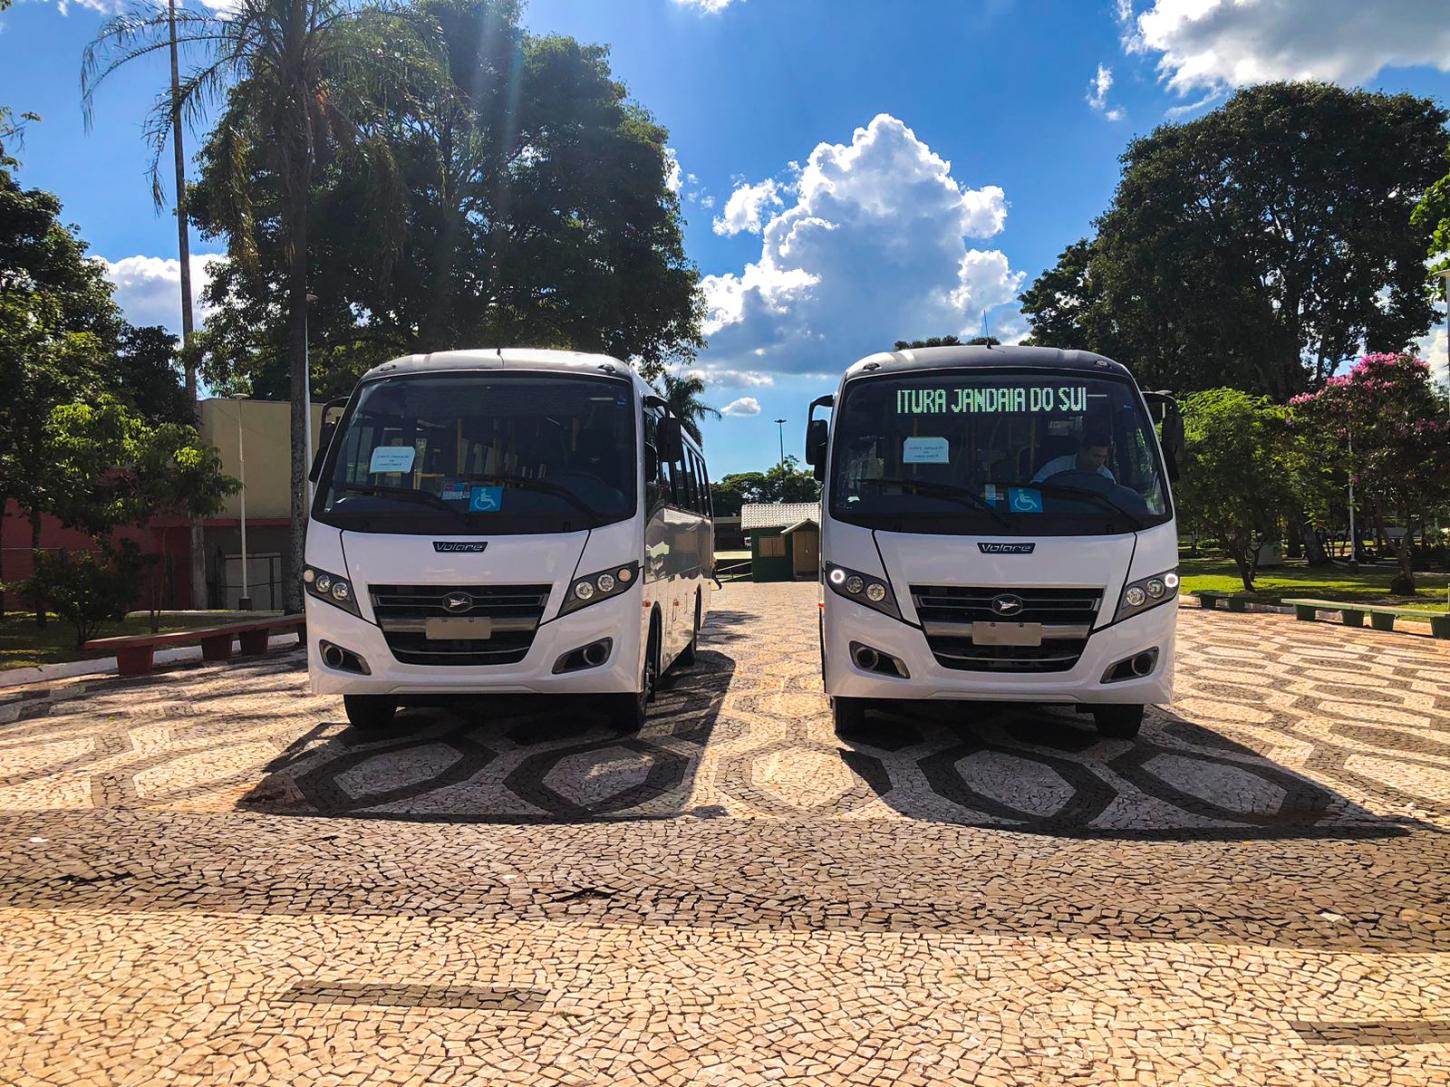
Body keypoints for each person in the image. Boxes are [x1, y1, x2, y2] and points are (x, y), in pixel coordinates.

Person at [1031, 430, 1115, 484]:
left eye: (1104, 457)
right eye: (1096, 456)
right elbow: (1034, 486)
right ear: (1082, 452)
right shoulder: (1056, 467)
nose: (1100, 461)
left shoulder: (1106, 476)